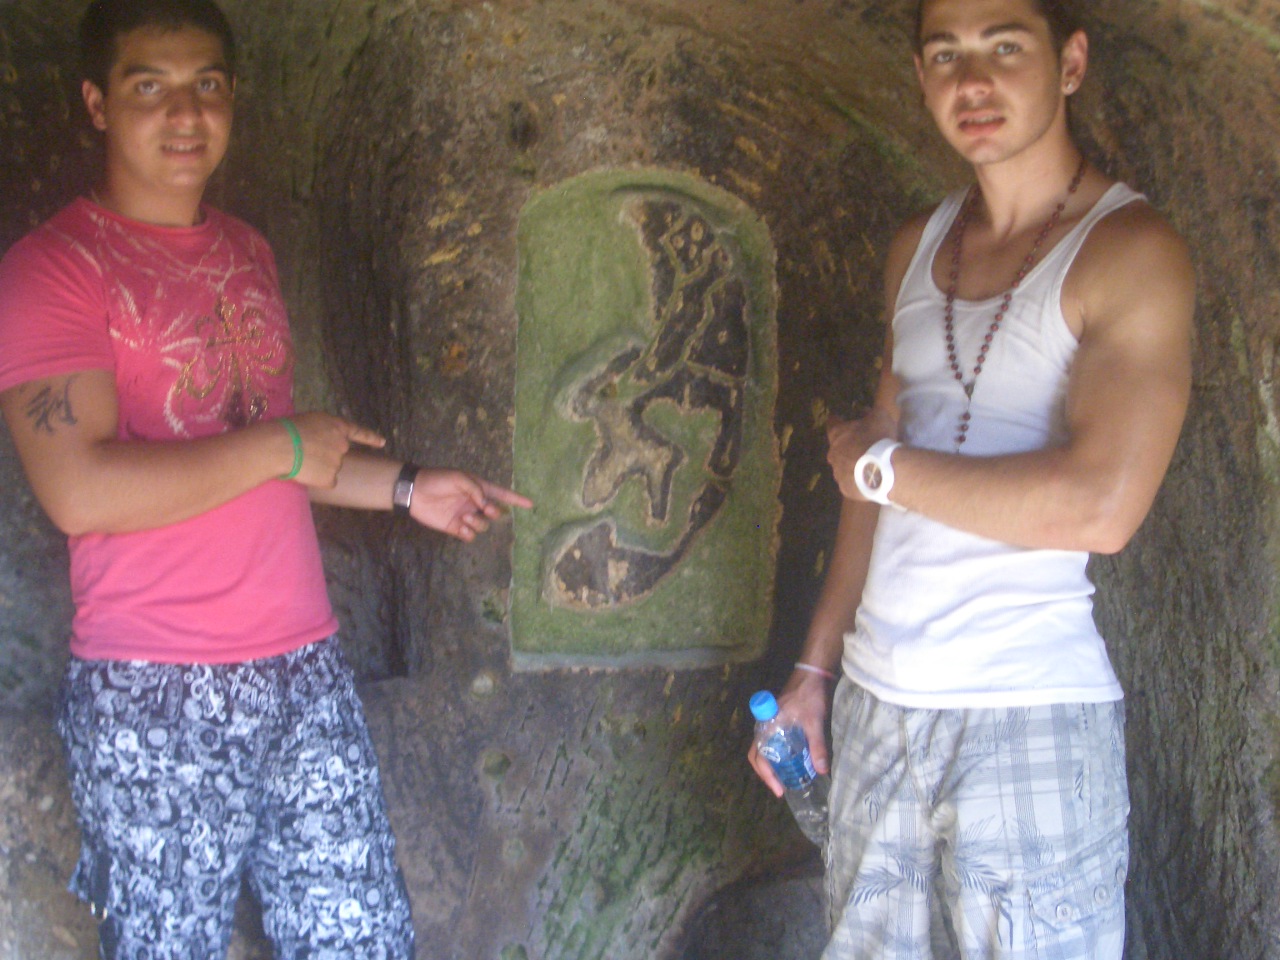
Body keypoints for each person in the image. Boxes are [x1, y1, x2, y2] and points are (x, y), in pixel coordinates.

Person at [0, 1, 531, 957]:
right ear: (97, 103)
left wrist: (409, 488)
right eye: (149, 86)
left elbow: (276, 457)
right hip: (156, 686)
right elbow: (79, 490)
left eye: (207, 84)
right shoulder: (55, 270)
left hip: (303, 664)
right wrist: (282, 446)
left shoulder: (246, 250)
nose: (186, 113)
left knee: (360, 938)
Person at [749, 0, 1194, 957]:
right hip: (877, 700)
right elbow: (866, 489)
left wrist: (883, 466)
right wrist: (815, 671)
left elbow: (1101, 507)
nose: (974, 82)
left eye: (1005, 46)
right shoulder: (917, 245)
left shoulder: (1130, 250)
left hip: (1028, 705)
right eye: (945, 54)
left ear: (1070, 62)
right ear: (919, 78)